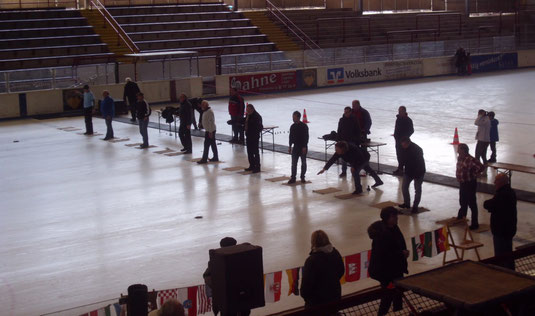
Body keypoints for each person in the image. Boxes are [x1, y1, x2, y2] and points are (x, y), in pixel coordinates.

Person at [368, 207, 409, 316]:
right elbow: (385, 254)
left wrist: (403, 253)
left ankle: (398, 311)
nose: (397, 218)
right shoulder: (382, 234)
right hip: (386, 272)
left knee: (397, 294)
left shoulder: (394, 227)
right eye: (394, 216)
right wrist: (402, 254)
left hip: (395, 269)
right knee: (388, 295)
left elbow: (399, 243)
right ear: (388, 218)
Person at [300, 230, 344, 313]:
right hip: (334, 298)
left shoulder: (311, 261)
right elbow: (341, 271)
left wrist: (308, 298)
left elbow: (306, 287)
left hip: (316, 304)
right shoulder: (335, 253)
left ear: (313, 243)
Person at [318, 141, 383, 194]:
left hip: (363, 157)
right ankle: (378, 181)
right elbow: (332, 159)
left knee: (355, 172)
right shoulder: (339, 152)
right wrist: (324, 168)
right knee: (368, 169)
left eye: (337, 149)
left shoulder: (353, 149)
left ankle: (358, 189)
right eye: (335, 149)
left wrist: (354, 167)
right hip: (357, 159)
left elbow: (359, 158)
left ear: (342, 148)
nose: (336, 150)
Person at [484, 173, 517, 270]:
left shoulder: (502, 194)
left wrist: (487, 204)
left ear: (501, 182)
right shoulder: (510, 192)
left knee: (501, 256)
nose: (494, 183)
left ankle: (503, 274)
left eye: (496, 180)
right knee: (508, 254)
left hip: (501, 230)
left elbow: (491, 204)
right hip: (508, 229)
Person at [203, 237, 238, 316]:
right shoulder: (242, 257)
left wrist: (218, 286)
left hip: (225, 299)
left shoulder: (216, 260)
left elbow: (207, 276)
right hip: (237, 297)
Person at [456, 143, 484, 230]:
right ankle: (461, 217)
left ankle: (475, 223)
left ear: (463, 150)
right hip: (463, 183)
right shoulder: (460, 158)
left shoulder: (471, 159)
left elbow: (481, 167)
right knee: (463, 201)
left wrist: (475, 174)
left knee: (472, 203)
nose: (457, 151)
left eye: (459, 149)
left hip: (469, 183)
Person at [398, 137, 425, 213]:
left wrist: (417, 174)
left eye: (404, 145)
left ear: (408, 142)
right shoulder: (403, 148)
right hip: (408, 171)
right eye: (402, 145)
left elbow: (420, 163)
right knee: (404, 187)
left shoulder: (417, 150)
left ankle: (415, 206)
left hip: (419, 172)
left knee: (417, 189)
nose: (403, 146)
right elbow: (402, 159)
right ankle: (407, 204)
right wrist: (400, 168)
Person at [337, 106, 361, 178]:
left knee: (352, 157)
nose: (346, 114)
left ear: (350, 112)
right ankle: (344, 171)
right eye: (345, 112)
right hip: (343, 141)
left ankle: (354, 171)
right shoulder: (341, 120)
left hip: (351, 141)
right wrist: (339, 140)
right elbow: (339, 130)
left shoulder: (354, 119)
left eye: (347, 112)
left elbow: (358, 130)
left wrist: (356, 140)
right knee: (343, 158)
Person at [288, 111, 309, 184]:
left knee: (303, 163)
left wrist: (304, 146)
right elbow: (290, 137)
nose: (293, 119)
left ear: (298, 117)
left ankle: (302, 177)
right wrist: (290, 146)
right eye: (292, 117)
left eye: (294, 117)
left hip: (303, 147)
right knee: (293, 163)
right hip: (295, 147)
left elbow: (306, 137)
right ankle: (293, 177)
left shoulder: (304, 126)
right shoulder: (292, 126)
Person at [392, 106, 414, 175]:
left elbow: (411, 130)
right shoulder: (398, 119)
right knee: (399, 155)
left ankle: (405, 170)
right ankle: (400, 169)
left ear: (404, 111)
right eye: (399, 111)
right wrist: (395, 136)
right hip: (398, 140)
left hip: (404, 142)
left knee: (404, 156)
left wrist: (405, 138)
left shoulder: (408, 120)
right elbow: (396, 129)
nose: (399, 112)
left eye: (400, 111)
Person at [244, 104, 263, 173]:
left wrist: (253, 132)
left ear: (252, 109)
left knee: (255, 152)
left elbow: (260, 127)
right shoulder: (248, 115)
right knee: (249, 152)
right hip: (248, 136)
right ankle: (252, 165)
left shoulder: (257, 116)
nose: (247, 111)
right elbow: (245, 122)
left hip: (254, 137)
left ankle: (257, 167)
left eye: (248, 110)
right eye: (247, 110)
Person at [474, 109, 490, 174]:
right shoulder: (485, 119)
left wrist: (480, 116)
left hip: (483, 141)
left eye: (479, 113)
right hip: (483, 140)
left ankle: (478, 170)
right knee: (483, 156)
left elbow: (476, 122)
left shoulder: (485, 120)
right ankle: (484, 171)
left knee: (477, 155)